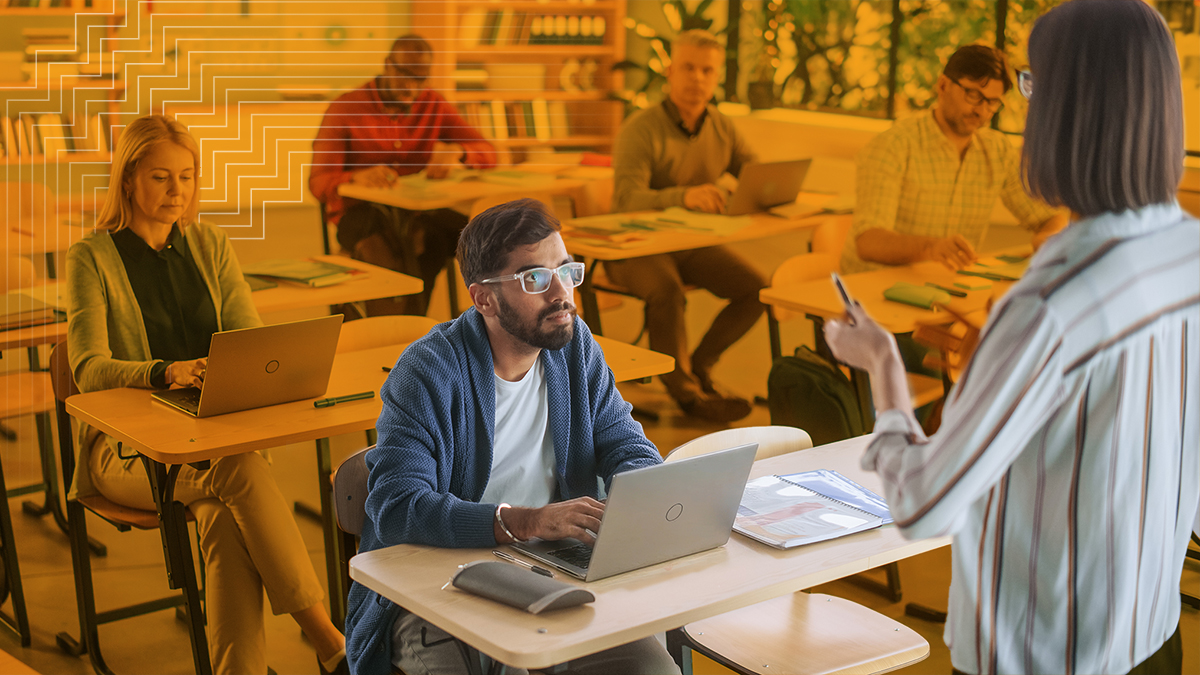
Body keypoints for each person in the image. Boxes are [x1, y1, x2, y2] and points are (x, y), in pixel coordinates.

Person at [824, 2, 1197, 674]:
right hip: (1146, 621)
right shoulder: (1187, 250)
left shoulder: (1045, 306)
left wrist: (883, 365)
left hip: (1045, 644)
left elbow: (923, 504)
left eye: (1028, 87)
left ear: (1064, 109)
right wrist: (1001, 366)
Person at [344, 198, 681, 675]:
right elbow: (398, 506)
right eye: (535, 279)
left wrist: (643, 498)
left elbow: (626, 444)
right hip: (436, 589)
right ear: (484, 299)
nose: (561, 293)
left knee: (653, 669)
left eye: (566, 271)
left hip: (549, 570)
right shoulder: (426, 372)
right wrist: (524, 522)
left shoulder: (574, 346)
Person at [67, 114, 348, 675]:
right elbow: (86, 369)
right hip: (127, 452)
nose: (177, 191)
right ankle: (331, 642)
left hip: (209, 434)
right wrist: (164, 372)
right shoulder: (90, 257)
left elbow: (249, 336)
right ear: (128, 179)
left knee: (222, 519)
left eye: (187, 177)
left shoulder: (209, 243)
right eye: (160, 178)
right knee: (240, 469)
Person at [608, 29, 765, 422]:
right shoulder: (640, 128)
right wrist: (685, 196)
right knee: (668, 291)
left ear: (717, 77)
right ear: (670, 72)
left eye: (707, 71)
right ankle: (688, 395)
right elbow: (626, 200)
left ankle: (698, 366)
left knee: (758, 290)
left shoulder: (722, 127)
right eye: (688, 68)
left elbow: (756, 174)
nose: (697, 78)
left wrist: (766, 192)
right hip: (632, 246)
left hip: (687, 243)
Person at [309, 33, 497, 315]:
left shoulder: (432, 104)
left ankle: (486, 326)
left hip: (418, 210)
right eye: (405, 76)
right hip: (359, 212)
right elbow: (318, 182)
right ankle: (390, 327)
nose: (412, 87)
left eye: (420, 79)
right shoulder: (345, 108)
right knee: (404, 244)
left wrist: (459, 151)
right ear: (387, 65)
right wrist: (354, 178)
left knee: (485, 237)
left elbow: (490, 152)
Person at [842, 44, 1069, 275]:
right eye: (974, 95)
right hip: (871, 286)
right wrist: (931, 248)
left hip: (943, 284)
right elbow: (868, 242)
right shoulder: (893, 146)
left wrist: (1049, 238)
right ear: (943, 85)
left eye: (992, 102)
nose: (982, 111)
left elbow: (1051, 217)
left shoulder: (997, 151)